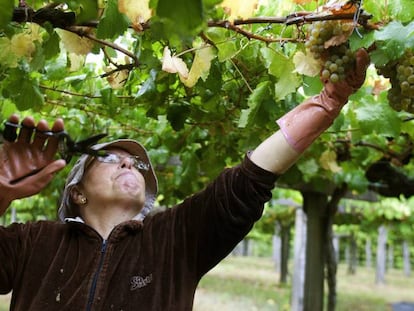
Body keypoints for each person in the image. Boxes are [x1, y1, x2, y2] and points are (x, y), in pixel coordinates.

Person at [0, 49, 369, 311]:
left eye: (138, 165)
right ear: (77, 192)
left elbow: (248, 181)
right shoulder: (33, 242)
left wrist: (327, 103)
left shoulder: (175, 238)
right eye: (111, 158)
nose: (131, 166)